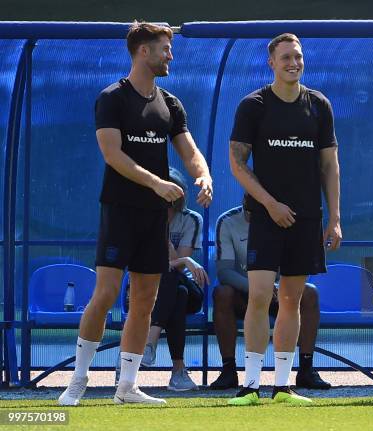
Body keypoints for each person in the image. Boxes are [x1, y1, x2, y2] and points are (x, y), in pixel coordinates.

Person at [58, 21, 213, 406]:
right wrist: (157, 184)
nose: (170, 56)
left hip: (152, 217)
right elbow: (113, 155)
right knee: (106, 293)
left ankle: (127, 386)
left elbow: (189, 150)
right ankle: (77, 380)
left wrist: (204, 173)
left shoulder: (171, 104)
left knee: (145, 297)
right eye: (164, 48)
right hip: (120, 210)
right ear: (143, 51)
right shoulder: (112, 97)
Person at [227, 33, 341, 406]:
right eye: (286, 57)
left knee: (291, 299)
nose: (294, 62)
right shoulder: (254, 105)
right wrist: (270, 203)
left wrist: (334, 217)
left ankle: (282, 386)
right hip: (266, 216)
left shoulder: (319, 105)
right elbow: (237, 163)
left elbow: (330, 165)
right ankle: (250, 385)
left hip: (307, 218)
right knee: (259, 296)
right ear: (271, 62)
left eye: (298, 56)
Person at [210, 197, 331, 390]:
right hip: (245, 295)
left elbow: (292, 266)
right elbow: (224, 272)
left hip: (278, 294)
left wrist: (276, 287)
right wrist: (259, 289)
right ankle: (228, 370)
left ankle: (306, 369)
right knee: (222, 293)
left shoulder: (283, 218)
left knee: (309, 294)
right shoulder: (227, 222)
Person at [116, 167, 209, 391]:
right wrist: (185, 261)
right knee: (177, 293)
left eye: (170, 203)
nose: (166, 207)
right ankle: (178, 372)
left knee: (172, 278)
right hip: (143, 290)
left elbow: (176, 263)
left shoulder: (191, 220)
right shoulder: (139, 219)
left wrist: (166, 239)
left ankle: (149, 343)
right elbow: (146, 264)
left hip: (185, 286)